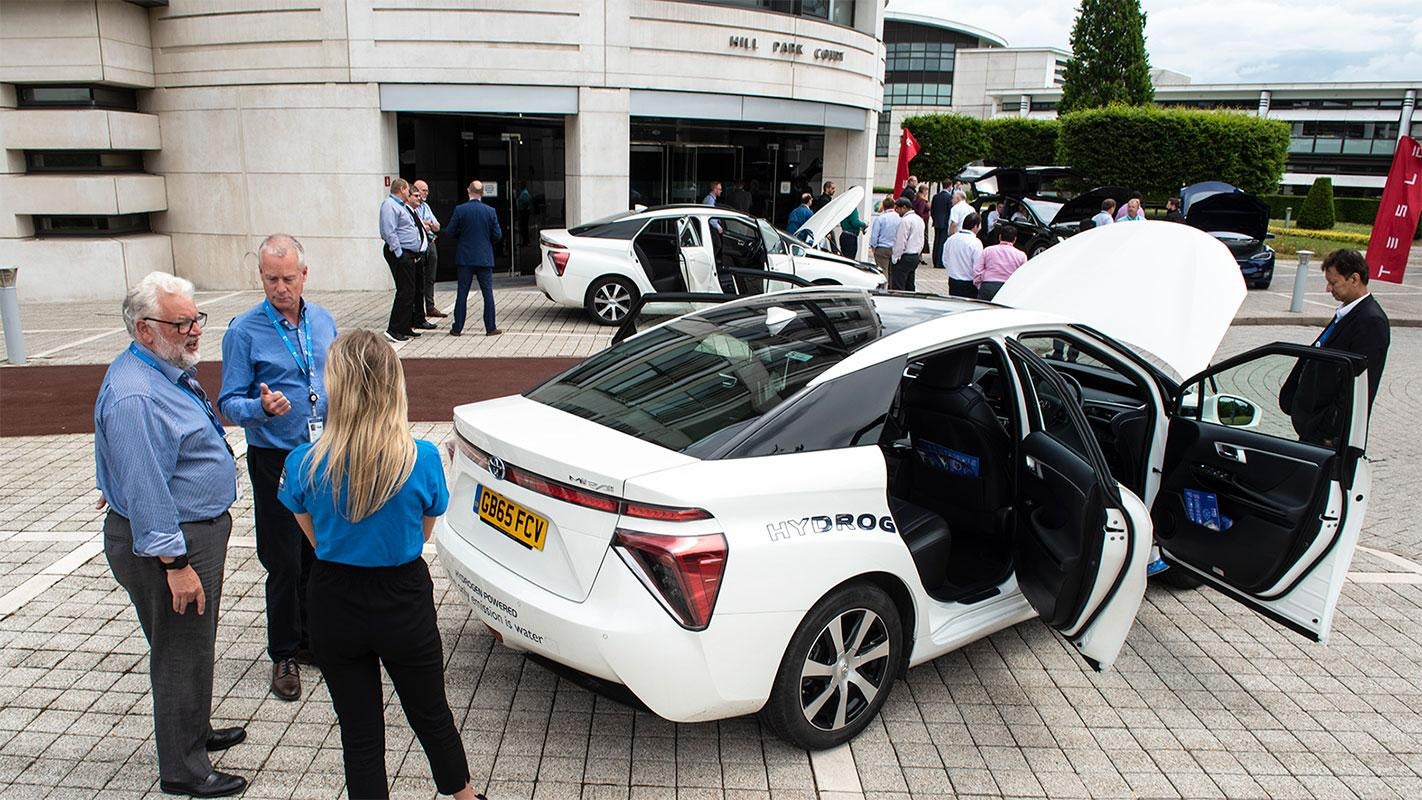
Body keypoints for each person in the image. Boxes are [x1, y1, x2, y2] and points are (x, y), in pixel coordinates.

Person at [278, 330, 484, 800]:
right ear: (394, 385)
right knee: (431, 714)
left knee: (360, 732)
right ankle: (465, 796)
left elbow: (312, 535)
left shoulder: (303, 462)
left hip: (333, 597)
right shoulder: (423, 458)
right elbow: (423, 532)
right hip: (401, 597)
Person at [97, 271, 246, 798]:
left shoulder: (159, 368)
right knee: (180, 651)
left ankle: (195, 732)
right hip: (175, 545)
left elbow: (137, 466)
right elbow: (145, 480)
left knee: (194, 643)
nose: (195, 330)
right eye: (181, 322)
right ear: (144, 329)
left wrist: (118, 488)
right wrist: (175, 565)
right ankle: (185, 769)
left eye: (196, 319)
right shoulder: (137, 393)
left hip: (188, 531)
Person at [218, 233, 338, 703]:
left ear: (304, 275)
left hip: (321, 453)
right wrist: (260, 409)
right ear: (261, 277)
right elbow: (228, 400)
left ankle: (312, 640)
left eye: (289, 278)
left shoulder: (325, 320)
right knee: (283, 558)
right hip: (274, 456)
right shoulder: (243, 331)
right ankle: (284, 650)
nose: (280, 287)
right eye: (271, 279)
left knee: (318, 550)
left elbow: (339, 376)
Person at [1279, 249, 1391, 445]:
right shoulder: (1348, 312)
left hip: (1328, 437)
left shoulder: (1370, 321)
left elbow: (1358, 385)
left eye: (1333, 283)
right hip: (1315, 427)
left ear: (1354, 279)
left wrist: (1328, 430)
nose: (1328, 289)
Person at [443, 180, 504, 337]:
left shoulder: (460, 210)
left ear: (468, 191)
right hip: (484, 257)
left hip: (465, 257)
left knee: (462, 293)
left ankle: (457, 328)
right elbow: (498, 235)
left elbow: (449, 232)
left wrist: (462, 236)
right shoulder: (490, 211)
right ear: (482, 193)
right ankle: (490, 327)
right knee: (487, 294)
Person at [378, 178, 430, 343]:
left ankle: (405, 326)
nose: (409, 193)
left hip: (409, 253)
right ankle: (394, 329)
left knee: (410, 291)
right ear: (401, 189)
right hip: (400, 253)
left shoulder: (400, 206)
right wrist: (400, 254)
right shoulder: (389, 206)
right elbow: (389, 231)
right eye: (408, 190)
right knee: (404, 291)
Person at [412, 180, 445, 319]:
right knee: (418, 277)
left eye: (427, 190)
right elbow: (417, 225)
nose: (426, 193)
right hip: (419, 244)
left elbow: (437, 226)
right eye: (423, 190)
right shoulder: (411, 208)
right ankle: (416, 309)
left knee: (430, 277)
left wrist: (428, 223)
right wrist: (426, 224)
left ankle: (430, 306)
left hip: (430, 242)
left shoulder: (426, 207)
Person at [973, 223, 1029, 301]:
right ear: (1015, 239)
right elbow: (1023, 276)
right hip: (1008, 289)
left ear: (1000, 237)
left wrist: (980, 285)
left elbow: (977, 270)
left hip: (988, 286)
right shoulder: (1022, 256)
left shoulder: (988, 250)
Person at [943, 210, 984, 298]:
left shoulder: (951, 239)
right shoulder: (975, 242)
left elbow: (945, 260)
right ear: (975, 226)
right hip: (969, 283)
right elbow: (977, 266)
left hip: (953, 280)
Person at [889, 197, 924, 291]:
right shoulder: (919, 219)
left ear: (904, 207)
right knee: (910, 284)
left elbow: (901, 241)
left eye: (898, 209)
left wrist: (895, 257)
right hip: (915, 255)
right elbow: (921, 239)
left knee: (898, 285)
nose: (897, 212)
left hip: (905, 256)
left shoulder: (905, 221)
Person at [869, 196, 901, 286]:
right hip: (894, 248)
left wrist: (873, 246)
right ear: (894, 206)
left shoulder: (880, 218)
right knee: (892, 271)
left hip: (882, 248)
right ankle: (891, 289)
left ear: (883, 206)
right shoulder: (899, 218)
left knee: (883, 270)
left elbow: (875, 235)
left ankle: (884, 289)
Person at [930, 184, 952, 268]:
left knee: (936, 241)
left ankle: (935, 260)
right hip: (945, 222)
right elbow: (950, 210)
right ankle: (940, 262)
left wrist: (934, 219)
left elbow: (932, 209)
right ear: (949, 186)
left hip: (937, 222)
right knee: (942, 242)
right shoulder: (949, 197)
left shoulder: (936, 196)